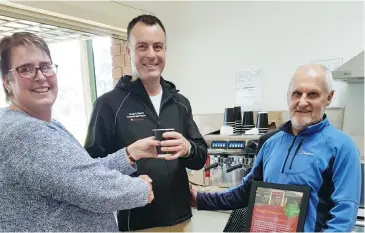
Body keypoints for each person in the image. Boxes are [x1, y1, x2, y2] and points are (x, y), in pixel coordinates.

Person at [0, 32, 159, 231]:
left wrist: (129, 154)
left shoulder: (37, 123)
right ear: (7, 81)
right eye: (26, 69)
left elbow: (80, 171)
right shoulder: (26, 132)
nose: (40, 77)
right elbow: (95, 188)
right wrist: (142, 188)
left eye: (45, 66)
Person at [191, 64, 361, 232]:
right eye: (296, 94)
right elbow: (246, 192)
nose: (302, 102)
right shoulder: (271, 144)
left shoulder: (342, 148)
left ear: (329, 97)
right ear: (288, 96)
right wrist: (199, 199)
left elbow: (342, 218)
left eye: (312, 94)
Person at [84, 14, 208, 232]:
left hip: (183, 221)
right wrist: (129, 161)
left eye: (158, 47)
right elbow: (92, 170)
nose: (151, 54)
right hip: (138, 224)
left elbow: (199, 159)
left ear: (165, 51)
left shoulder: (180, 103)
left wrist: (188, 149)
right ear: (129, 51)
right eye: (142, 46)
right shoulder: (109, 105)